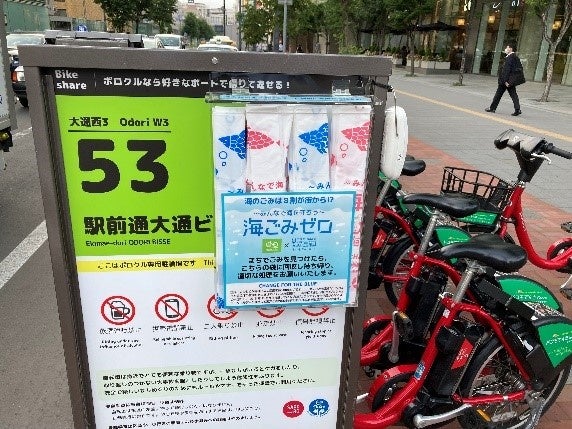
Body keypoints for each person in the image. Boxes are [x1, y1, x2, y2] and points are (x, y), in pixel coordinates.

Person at [485, 43, 522, 116]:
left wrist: (505, 81)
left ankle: (492, 108)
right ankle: (517, 109)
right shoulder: (515, 57)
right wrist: (511, 81)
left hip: (505, 81)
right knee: (514, 95)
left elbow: (506, 71)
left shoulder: (510, 58)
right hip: (510, 81)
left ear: (510, 49)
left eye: (507, 47)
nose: (506, 49)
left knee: (498, 95)